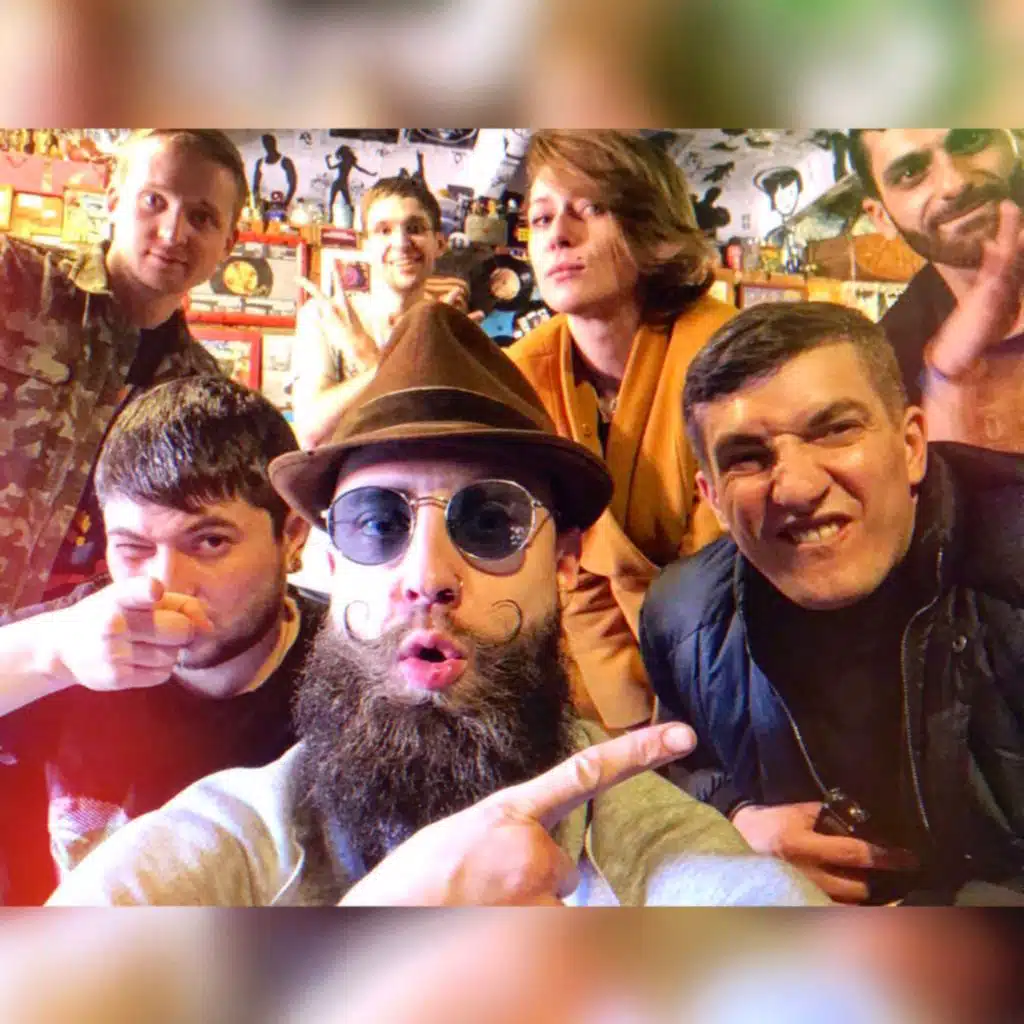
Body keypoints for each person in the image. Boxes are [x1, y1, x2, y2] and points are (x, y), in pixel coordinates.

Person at [47, 303, 826, 907]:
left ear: (564, 559)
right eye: (376, 524)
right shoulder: (222, 845)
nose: (426, 576)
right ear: (328, 561)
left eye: (490, 522)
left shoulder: (658, 853)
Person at [640, 301, 1024, 905]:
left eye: (834, 430)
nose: (796, 487)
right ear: (712, 498)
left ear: (912, 445)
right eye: (747, 457)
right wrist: (732, 824)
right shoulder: (682, 616)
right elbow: (676, 768)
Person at [0, 376, 322, 904]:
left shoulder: (350, 669)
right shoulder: (75, 639)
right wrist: (53, 656)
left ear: (291, 536)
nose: (165, 585)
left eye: (210, 542)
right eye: (133, 548)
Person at [505, 130, 736, 731]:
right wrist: (625, 729)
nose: (558, 235)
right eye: (541, 217)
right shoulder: (523, 375)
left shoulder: (725, 353)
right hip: (598, 693)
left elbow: (721, 573)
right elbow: (567, 573)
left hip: (736, 669)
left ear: (650, 228)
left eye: (591, 208)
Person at [0, 128, 248, 617]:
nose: (173, 233)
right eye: (154, 201)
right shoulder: (17, 281)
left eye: (201, 217)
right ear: (113, 201)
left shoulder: (202, 389)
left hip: (85, 640)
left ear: (228, 243)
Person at [849, 128, 1024, 450]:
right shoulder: (889, 365)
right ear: (881, 217)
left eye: (970, 140)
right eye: (910, 172)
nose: (954, 183)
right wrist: (950, 380)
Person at [291, 175, 470, 449]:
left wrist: (367, 356)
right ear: (365, 245)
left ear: (440, 243)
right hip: (349, 475)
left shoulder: (449, 327)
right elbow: (310, 432)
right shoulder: (323, 317)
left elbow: (449, 437)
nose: (401, 242)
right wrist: (388, 368)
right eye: (384, 230)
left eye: (415, 228)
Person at [252, 132, 298, 215]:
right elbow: (255, 185)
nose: (268, 146)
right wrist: (257, 201)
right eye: (266, 144)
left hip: (282, 202)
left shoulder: (285, 162)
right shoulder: (260, 162)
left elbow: (293, 185)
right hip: (265, 203)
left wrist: (285, 203)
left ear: (274, 143)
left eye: (270, 143)